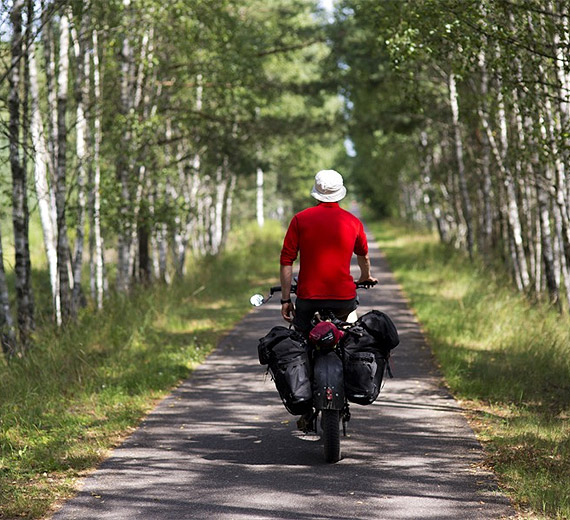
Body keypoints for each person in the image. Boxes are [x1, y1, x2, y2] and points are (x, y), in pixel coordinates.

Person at [279, 169, 378, 335]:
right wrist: (365, 276)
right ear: (340, 193)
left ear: (316, 193)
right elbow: (363, 256)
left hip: (308, 299)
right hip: (343, 300)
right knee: (350, 336)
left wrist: (286, 299)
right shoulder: (353, 222)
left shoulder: (300, 219)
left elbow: (286, 261)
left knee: (301, 338)